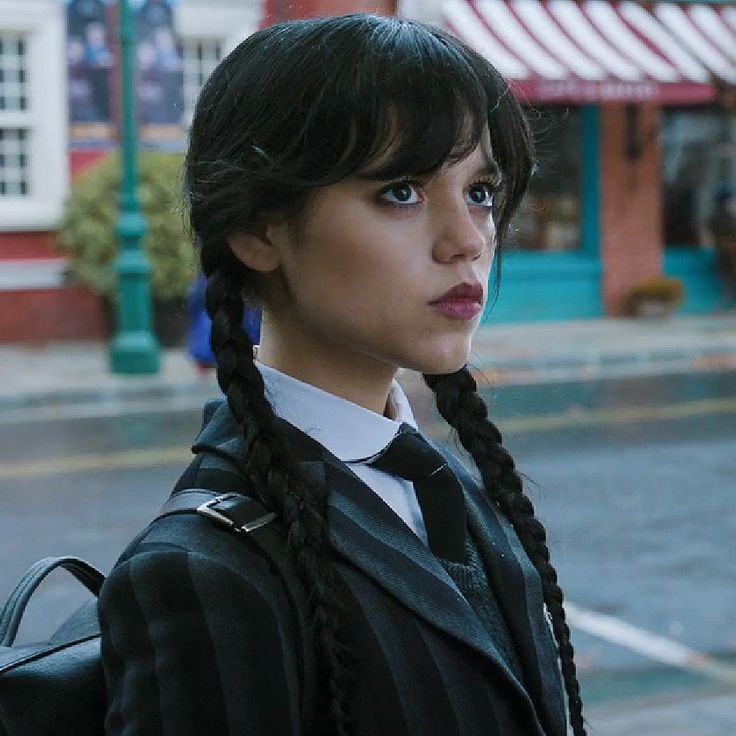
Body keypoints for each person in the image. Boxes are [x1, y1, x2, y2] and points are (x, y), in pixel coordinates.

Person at [98, 14, 586, 736]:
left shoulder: (455, 488)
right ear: (260, 229)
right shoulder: (206, 574)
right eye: (401, 192)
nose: (468, 240)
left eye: (480, 191)